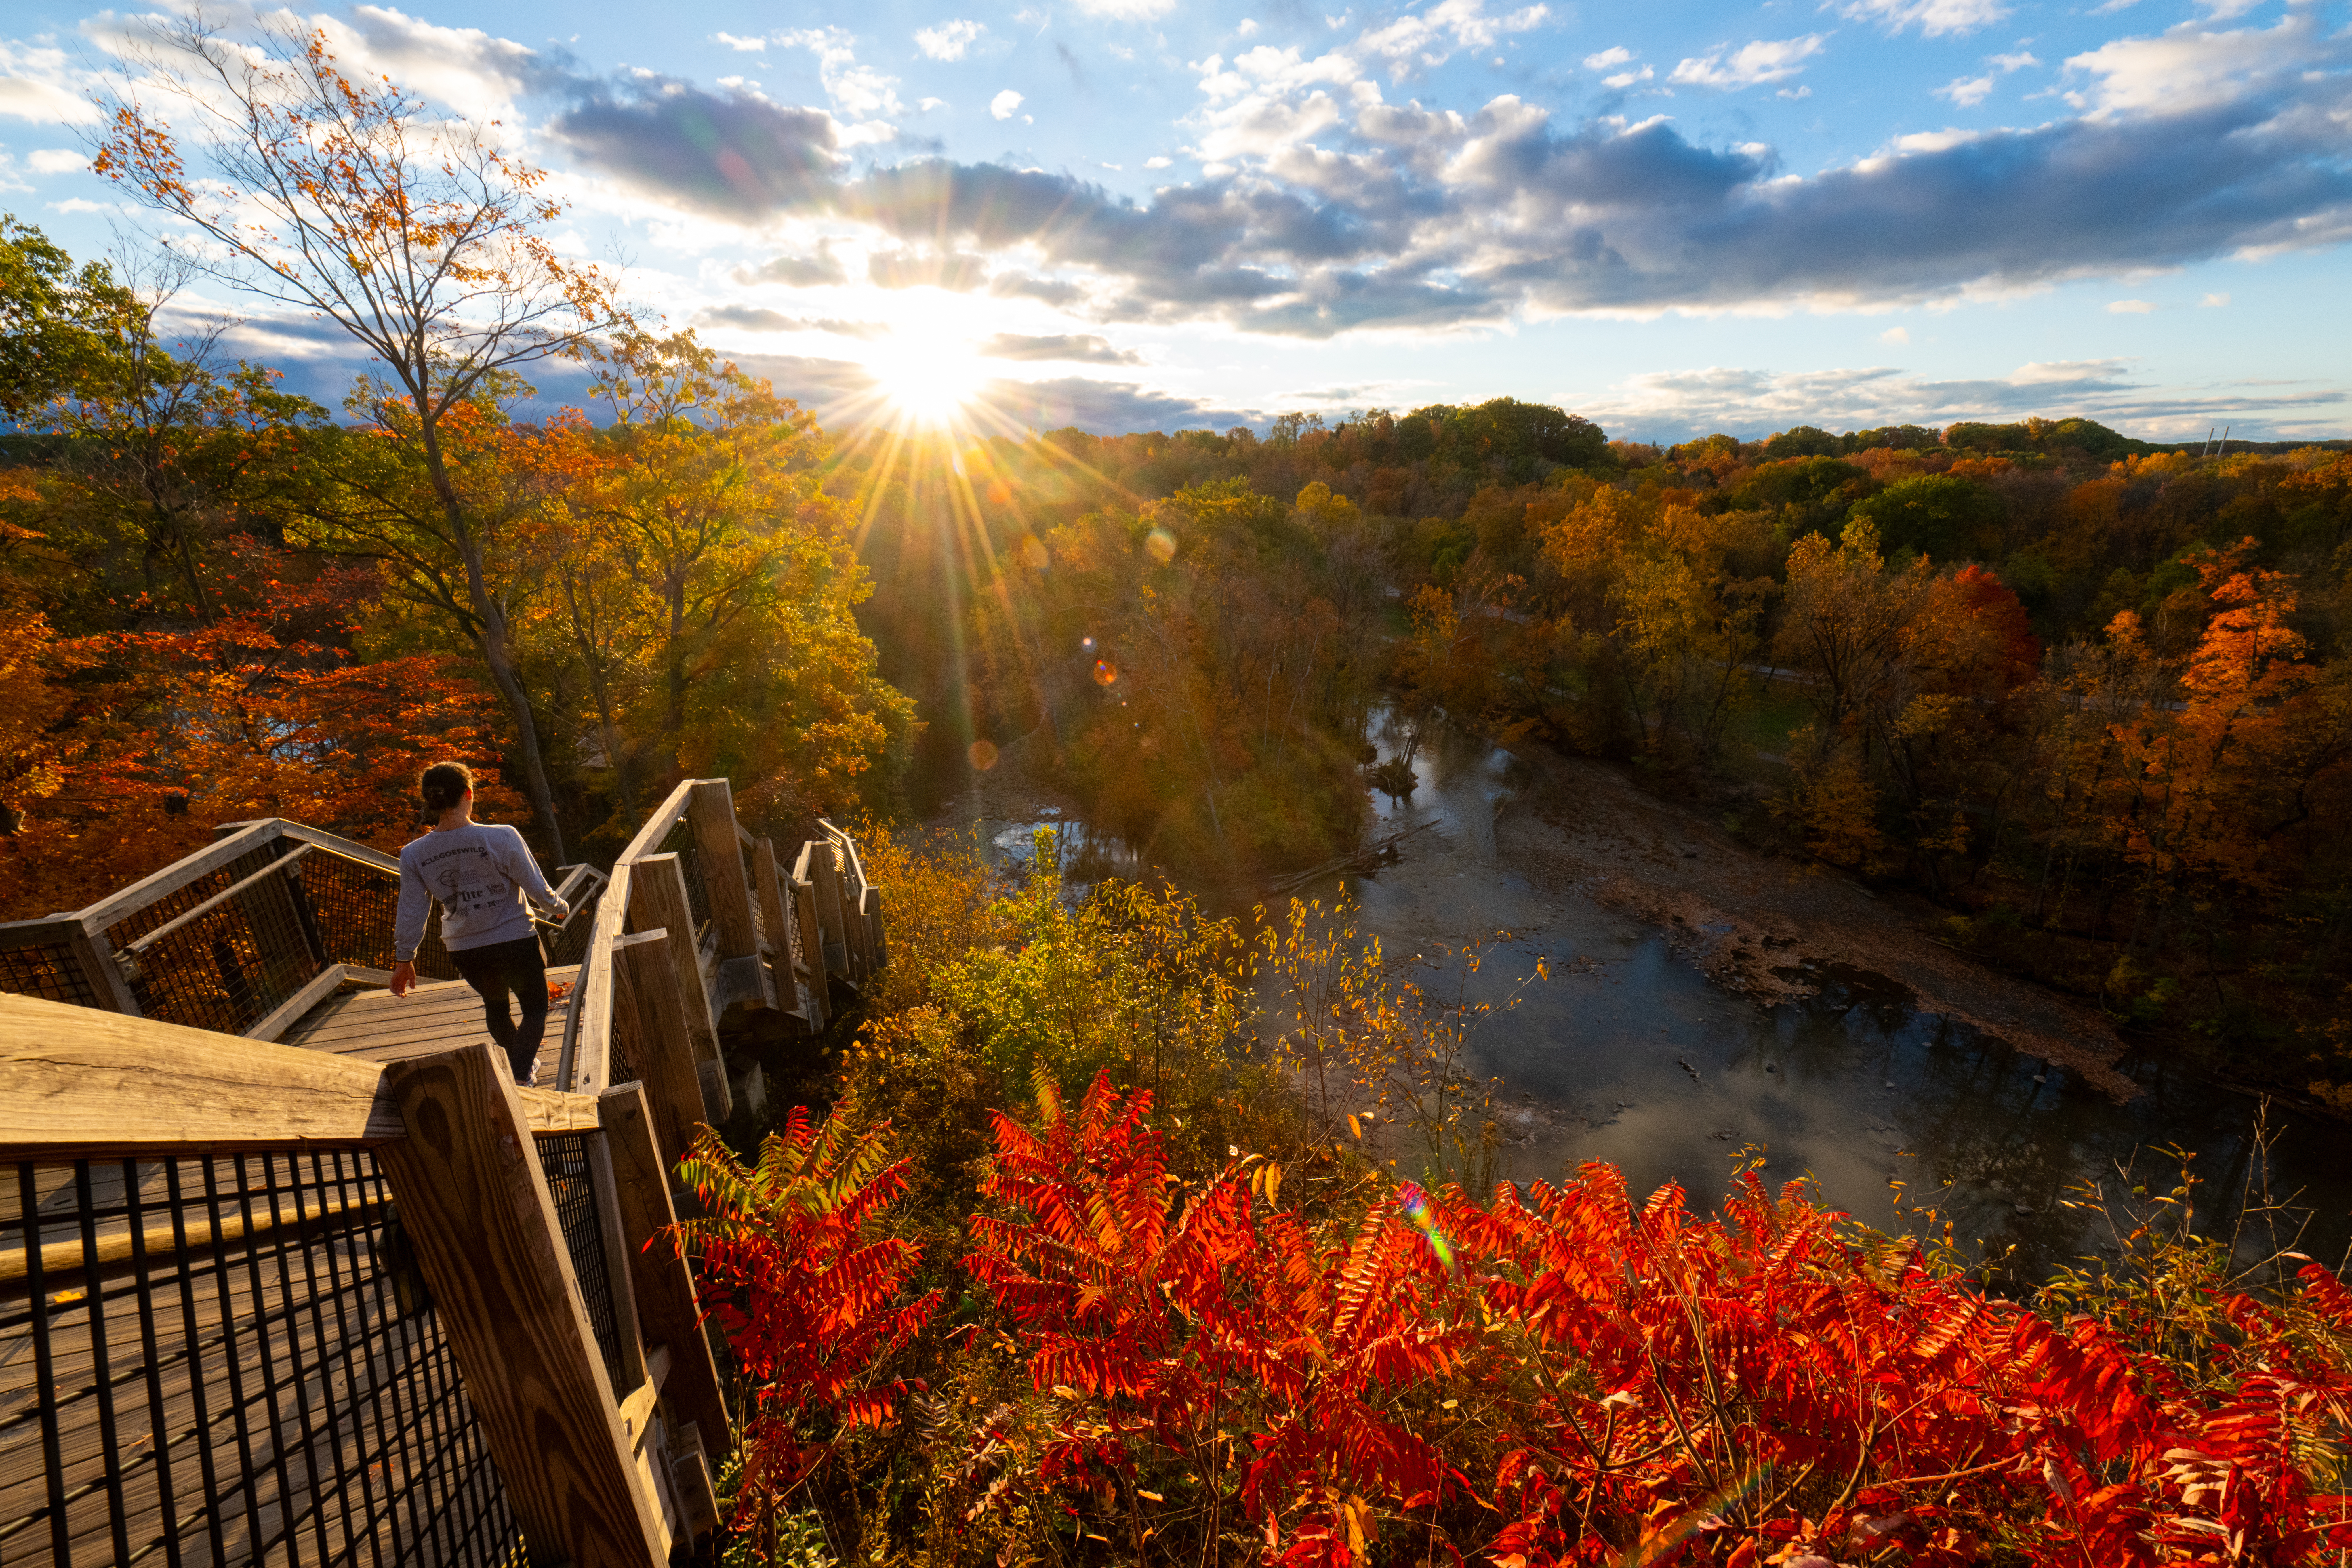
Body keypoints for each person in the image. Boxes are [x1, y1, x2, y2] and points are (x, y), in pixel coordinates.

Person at [390, 762, 570, 1086]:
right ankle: (518, 1076)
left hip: (467, 949)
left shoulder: (413, 854)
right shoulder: (502, 837)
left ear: (430, 800)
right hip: (515, 941)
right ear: (469, 794)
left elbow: (412, 909)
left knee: (497, 1007)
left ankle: (521, 1071)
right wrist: (557, 906)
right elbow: (535, 886)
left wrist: (405, 959)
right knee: (534, 1009)